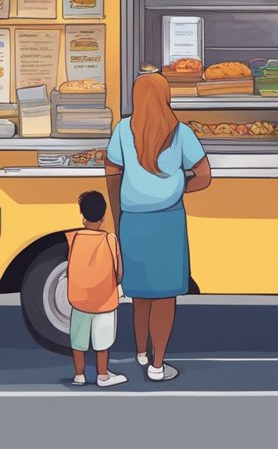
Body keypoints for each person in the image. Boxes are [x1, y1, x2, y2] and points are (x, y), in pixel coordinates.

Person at [104, 73, 212, 383]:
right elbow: (204, 176)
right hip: (168, 221)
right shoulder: (181, 133)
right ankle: (158, 364)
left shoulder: (123, 130)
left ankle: (140, 351)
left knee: (140, 295)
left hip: (133, 221)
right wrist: (177, 189)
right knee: (165, 297)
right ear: (166, 97)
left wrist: (118, 215)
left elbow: (112, 172)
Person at [66, 191, 126, 387]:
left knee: (78, 341)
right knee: (103, 341)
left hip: (80, 299)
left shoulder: (73, 238)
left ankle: (79, 375)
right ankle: (102, 375)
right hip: (104, 300)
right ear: (103, 216)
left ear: (82, 214)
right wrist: (114, 282)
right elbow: (119, 271)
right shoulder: (110, 239)